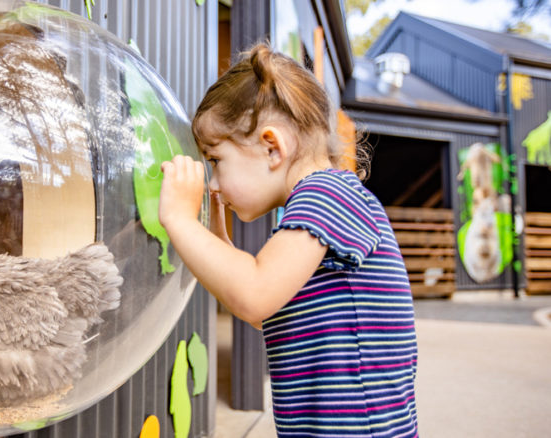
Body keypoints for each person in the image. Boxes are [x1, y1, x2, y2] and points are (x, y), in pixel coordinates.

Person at [158, 43, 419, 437]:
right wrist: (215, 237)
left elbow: (255, 292)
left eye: (215, 160)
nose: (213, 181)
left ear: (271, 147)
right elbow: (263, 309)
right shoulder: (324, 202)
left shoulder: (326, 194)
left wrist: (178, 218)